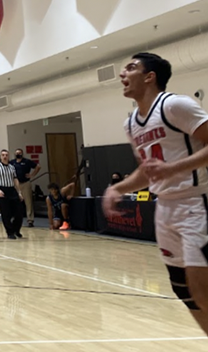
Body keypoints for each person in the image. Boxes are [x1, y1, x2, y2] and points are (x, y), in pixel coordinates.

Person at [104, 53, 208, 335]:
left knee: (201, 289)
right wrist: (118, 188)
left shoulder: (175, 105)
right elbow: (147, 171)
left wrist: (173, 168)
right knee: (184, 292)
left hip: (196, 201)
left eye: (131, 67)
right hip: (165, 208)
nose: (122, 74)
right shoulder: (131, 123)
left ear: (150, 76)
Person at [0, 150, 24, 239]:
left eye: (6, 155)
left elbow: (15, 180)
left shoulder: (12, 167)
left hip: (12, 190)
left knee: (19, 212)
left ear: (8, 156)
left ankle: (16, 230)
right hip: (3, 190)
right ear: (0, 156)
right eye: (3, 155)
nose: (5, 156)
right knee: (6, 213)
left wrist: (19, 192)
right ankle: (10, 232)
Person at [10, 148, 40, 228]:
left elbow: (38, 166)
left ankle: (30, 220)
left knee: (28, 202)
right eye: (16, 153)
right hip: (16, 184)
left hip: (25, 183)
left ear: (22, 154)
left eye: (19, 153)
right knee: (16, 202)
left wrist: (32, 175)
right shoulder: (12, 162)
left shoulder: (27, 161)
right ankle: (16, 219)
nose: (18, 154)